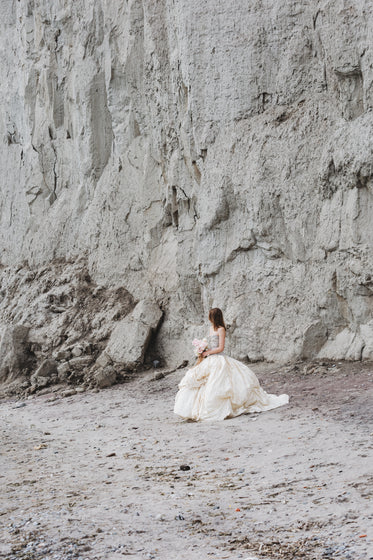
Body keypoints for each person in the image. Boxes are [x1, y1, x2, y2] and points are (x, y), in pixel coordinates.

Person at [174, 308, 289, 422]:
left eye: (211, 317)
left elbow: (220, 348)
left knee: (219, 382)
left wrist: (207, 352)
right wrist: (203, 350)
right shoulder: (210, 328)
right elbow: (211, 345)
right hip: (210, 358)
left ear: (215, 317)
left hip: (218, 358)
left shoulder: (221, 329)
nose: (210, 319)